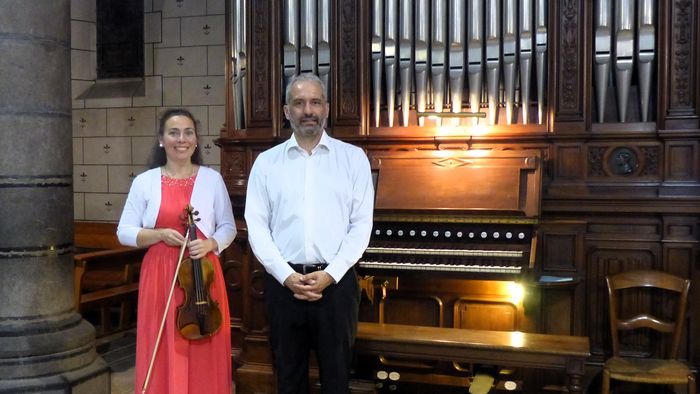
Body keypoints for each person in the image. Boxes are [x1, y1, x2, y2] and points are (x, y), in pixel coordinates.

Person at [245, 73, 375, 393]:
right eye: (299, 103)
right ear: (286, 111)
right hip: (283, 286)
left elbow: (361, 226)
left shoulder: (353, 159)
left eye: (315, 102)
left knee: (336, 380)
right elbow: (257, 227)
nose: (308, 110)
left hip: (337, 287)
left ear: (326, 109)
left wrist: (330, 274)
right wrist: (286, 275)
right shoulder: (266, 163)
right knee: (289, 379)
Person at [117, 108, 236, 394]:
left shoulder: (212, 179)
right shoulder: (144, 182)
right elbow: (124, 232)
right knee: (164, 341)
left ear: (196, 140)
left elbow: (228, 227)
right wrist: (158, 234)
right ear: (161, 139)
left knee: (203, 339)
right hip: (160, 274)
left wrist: (210, 244)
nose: (181, 139)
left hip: (202, 273)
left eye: (188, 132)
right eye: (173, 132)